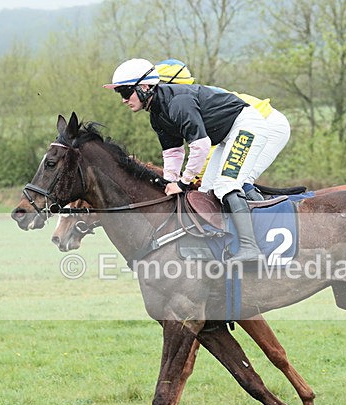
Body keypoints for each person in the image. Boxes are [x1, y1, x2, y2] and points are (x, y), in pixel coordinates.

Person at [104, 58, 283, 262]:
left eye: (126, 92)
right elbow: (173, 152)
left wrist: (183, 182)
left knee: (226, 185)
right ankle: (222, 243)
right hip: (226, 136)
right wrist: (168, 182)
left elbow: (200, 146)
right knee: (206, 192)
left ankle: (250, 247)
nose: (123, 100)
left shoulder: (178, 102)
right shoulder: (157, 114)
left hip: (247, 125)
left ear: (144, 87)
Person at [153, 59, 291, 201]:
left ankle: (265, 214)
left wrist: (190, 179)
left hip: (269, 125)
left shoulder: (184, 101)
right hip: (236, 131)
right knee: (208, 189)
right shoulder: (183, 99)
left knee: (235, 182)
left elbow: (207, 149)